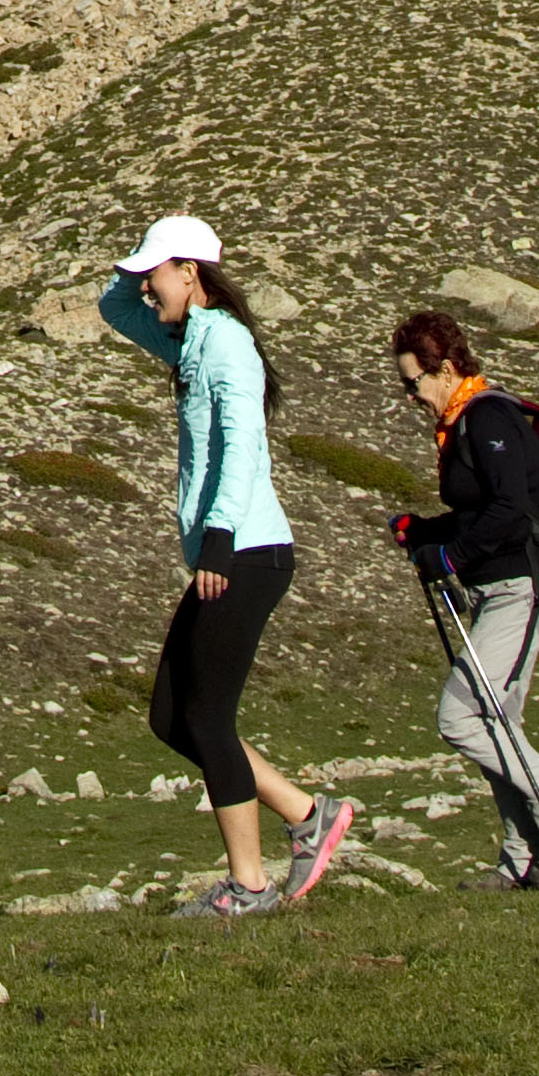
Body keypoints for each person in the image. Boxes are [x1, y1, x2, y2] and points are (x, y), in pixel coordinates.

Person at [99, 216, 355, 919]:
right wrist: (138, 272)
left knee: (207, 715)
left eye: (157, 272)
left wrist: (216, 537)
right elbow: (113, 308)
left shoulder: (227, 347)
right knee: (170, 717)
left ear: (192, 272)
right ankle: (308, 815)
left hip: (243, 551)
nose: (147, 287)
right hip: (230, 550)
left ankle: (249, 885)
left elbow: (244, 445)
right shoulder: (190, 341)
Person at [388, 310, 539, 889]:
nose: (410, 396)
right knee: (495, 720)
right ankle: (522, 861)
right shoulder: (464, 422)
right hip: (501, 587)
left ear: (448, 368)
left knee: (462, 716)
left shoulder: (488, 416)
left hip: (523, 586)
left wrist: (449, 557)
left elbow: (511, 510)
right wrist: (429, 532)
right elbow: (482, 511)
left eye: (414, 382)